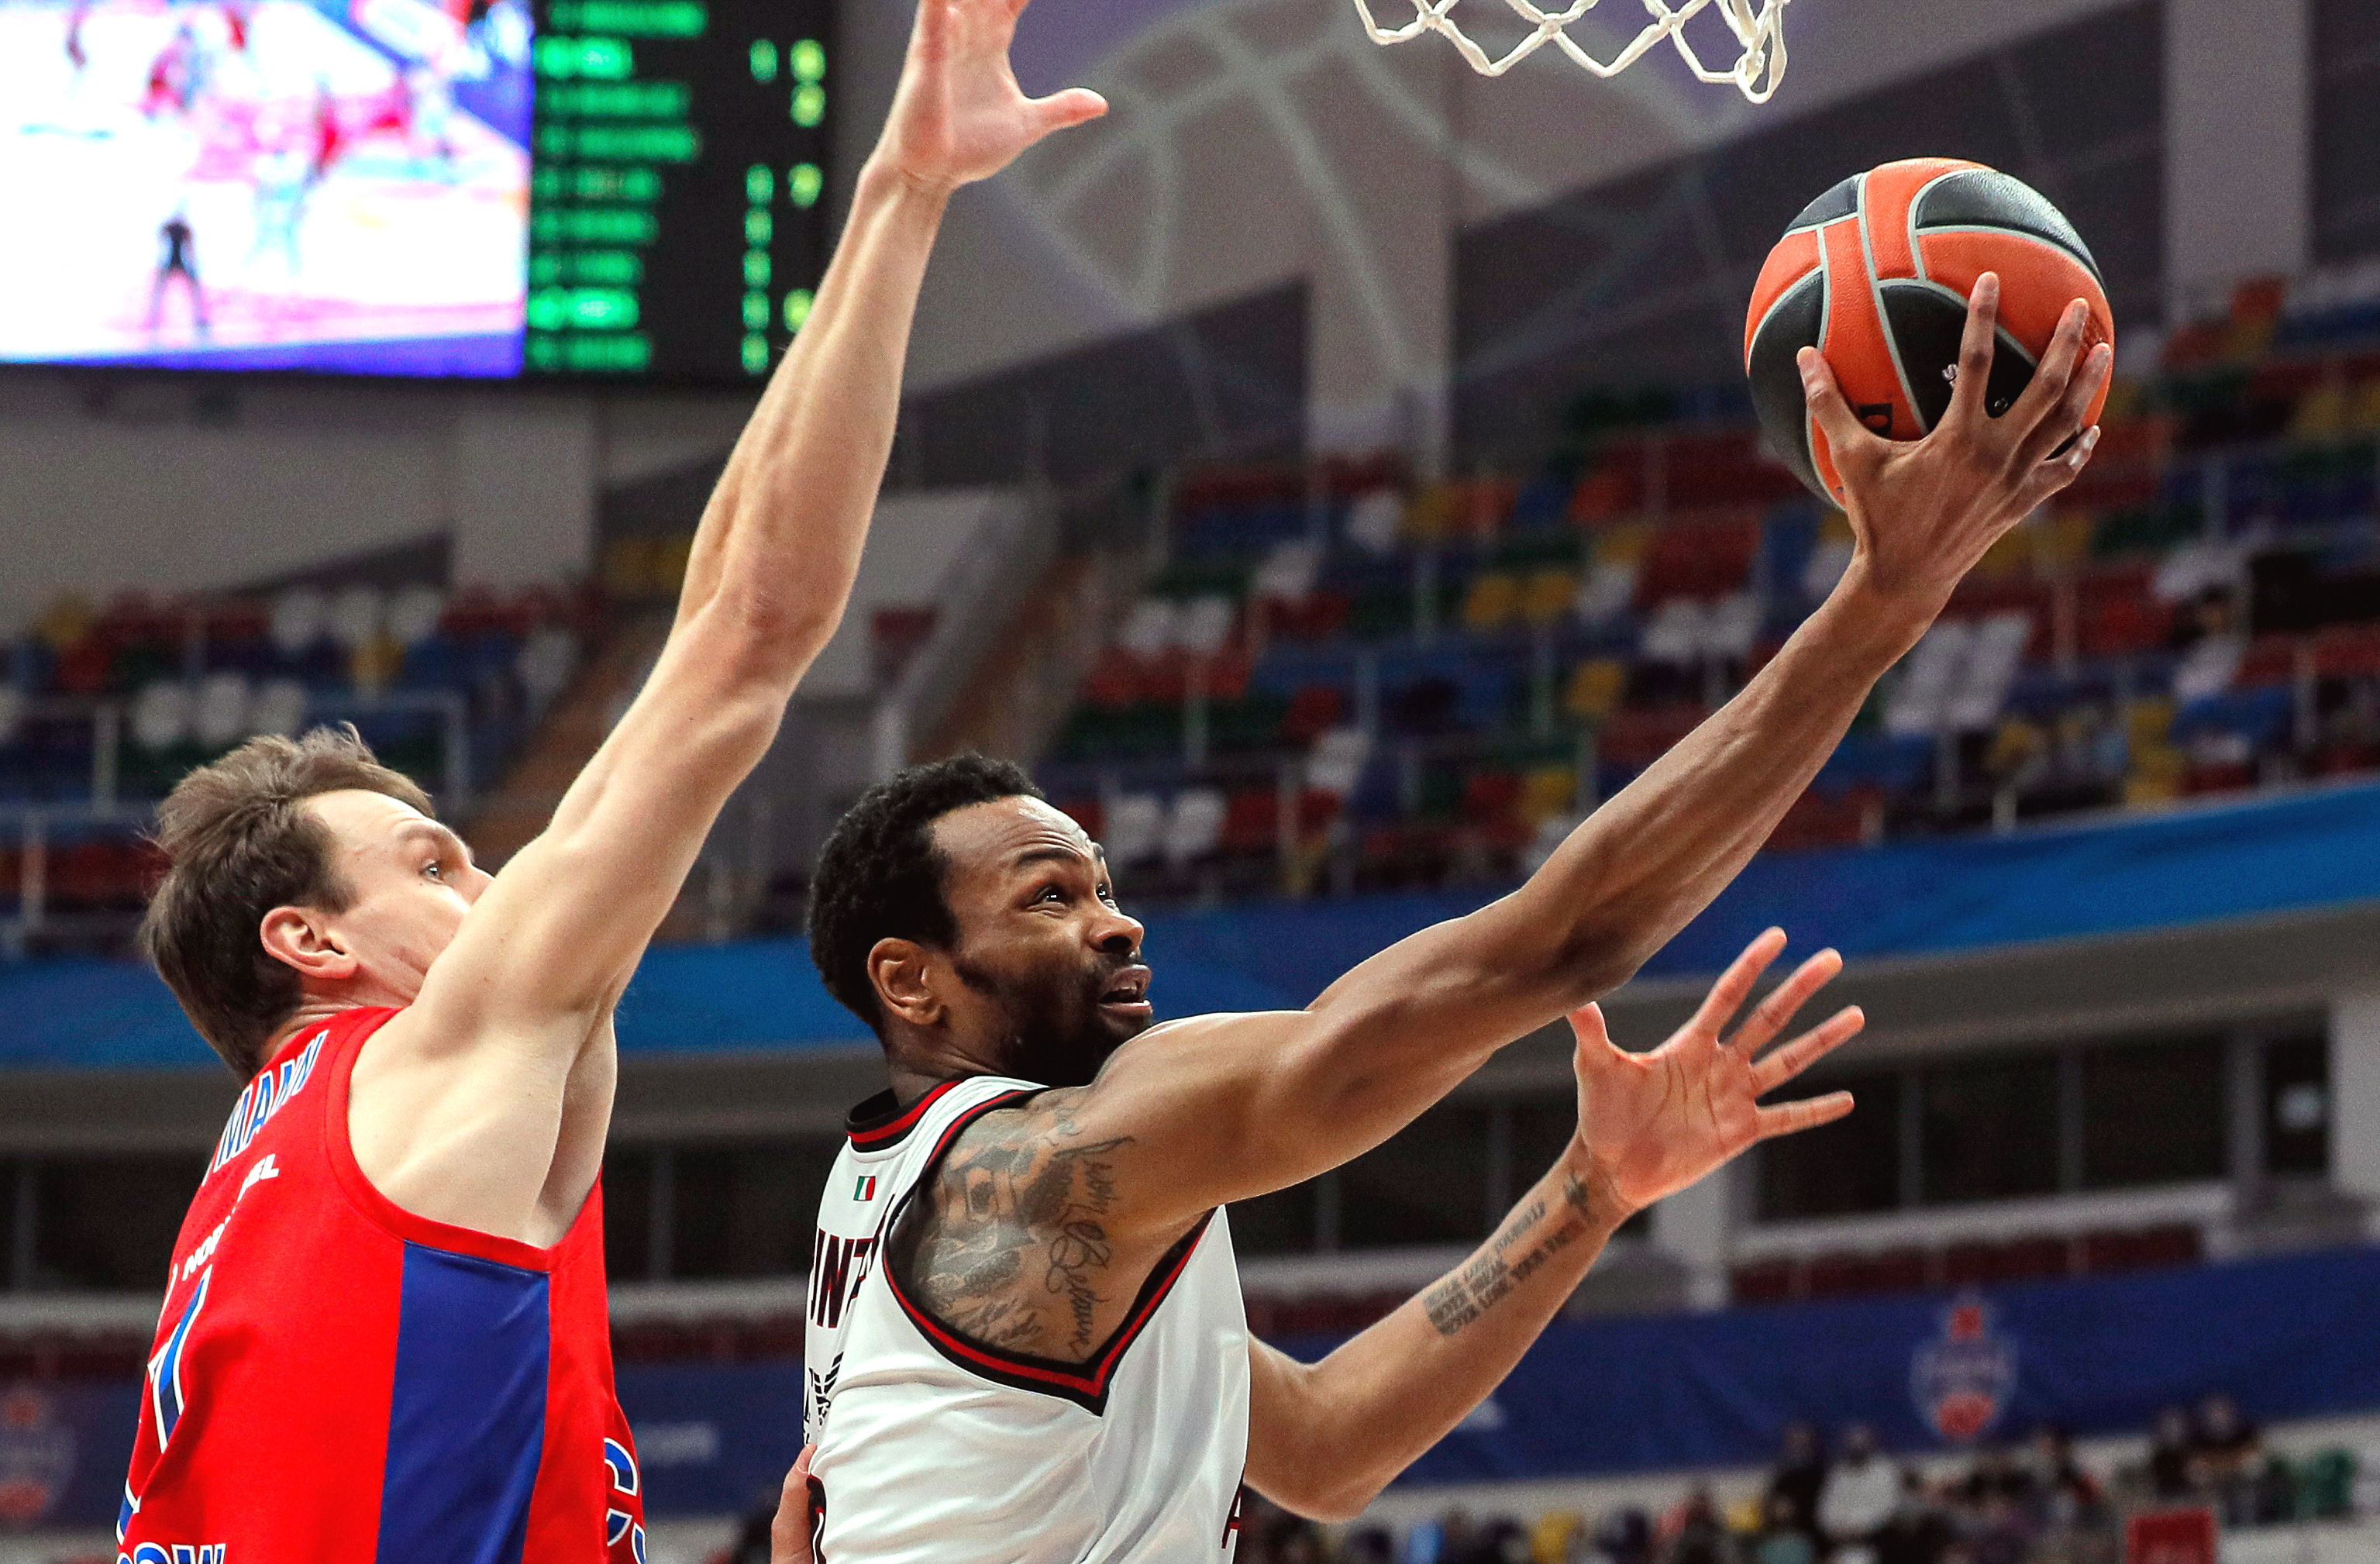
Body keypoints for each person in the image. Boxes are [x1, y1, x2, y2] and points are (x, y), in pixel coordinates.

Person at [790, 271, 2112, 1559]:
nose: (1120, 922)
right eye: (1051, 895)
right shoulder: (1019, 1178)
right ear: (913, 979)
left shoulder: (976, 1207)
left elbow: (1325, 1447)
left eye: (1105, 883)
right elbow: (1561, 942)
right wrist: (1883, 602)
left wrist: (1590, 1189)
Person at [112, 0, 1101, 1552]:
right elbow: (743, 637)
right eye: (432, 865)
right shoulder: (428, 1066)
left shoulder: (253, 1192)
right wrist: (901, 195)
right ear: (309, 943)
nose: (492, 880)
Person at [1819, 1426, 1899, 1564]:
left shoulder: (1884, 1471)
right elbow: (1825, 1508)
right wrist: (1836, 1528)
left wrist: (1862, 1528)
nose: (1857, 1448)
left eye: (1861, 1444)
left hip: (1874, 1540)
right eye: (1853, 1445)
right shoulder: (1838, 1473)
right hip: (1840, 1540)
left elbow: (1888, 1509)